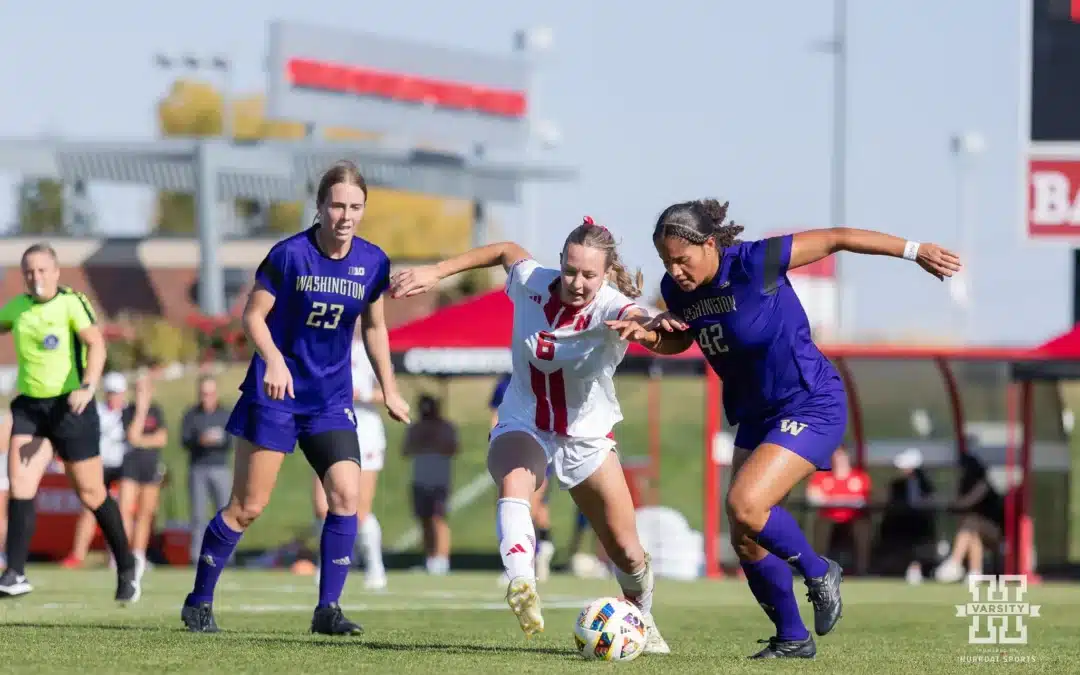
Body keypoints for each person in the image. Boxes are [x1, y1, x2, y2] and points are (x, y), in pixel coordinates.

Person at [613, 199, 960, 659]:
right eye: (666, 261)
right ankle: (793, 638)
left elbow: (838, 238)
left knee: (744, 503)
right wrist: (651, 335)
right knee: (744, 533)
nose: (675, 270)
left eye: (682, 259)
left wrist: (915, 250)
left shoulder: (758, 261)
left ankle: (819, 572)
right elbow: (682, 338)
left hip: (811, 401)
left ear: (710, 244)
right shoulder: (678, 290)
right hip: (757, 415)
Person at [391, 217, 671, 654]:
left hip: (587, 437)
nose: (578, 282)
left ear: (606, 273)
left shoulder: (614, 307)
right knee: (514, 480)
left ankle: (644, 617)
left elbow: (655, 329)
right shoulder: (532, 280)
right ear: (560, 262)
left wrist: (651, 331)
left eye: (589, 275)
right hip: (526, 419)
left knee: (628, 552)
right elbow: (504, 249)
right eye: (571, 270)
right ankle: (522, 581)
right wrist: (434, 273)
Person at [180, 160, 411, 635]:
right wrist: (275, 360)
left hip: (330, 401)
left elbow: (375, 327)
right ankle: (198, 600)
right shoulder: (289, 255)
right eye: (337, 205)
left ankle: (328, 610)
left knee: (346, 497)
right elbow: (252, 317)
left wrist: (390, 387)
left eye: (355, 206)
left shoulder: (373, 262)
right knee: (247, 507)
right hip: (276, 397)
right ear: (321, 207)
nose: (346, 215)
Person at [0, 243, 141, 602]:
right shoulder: (17, 309)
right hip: (31, 408)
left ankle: (126, 563)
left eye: (43, 270)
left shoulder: (71, 303)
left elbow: (97, 346)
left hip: (71, 408)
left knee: (92, 493)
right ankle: (14, 572)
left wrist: (88, 387)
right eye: (29, 271)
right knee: (20, 484)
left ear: (56, 272)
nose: (36, 277)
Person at [311, 335, 388, 590]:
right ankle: (330, 562)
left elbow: (389, 390)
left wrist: (361, 392)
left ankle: (374, 566)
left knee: (360, 509)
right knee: (323, 505)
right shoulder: (323, 343)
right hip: (329, 425)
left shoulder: (371, 345)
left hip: (364, 430)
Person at [490, 373, 555, 581]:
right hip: (513, 445)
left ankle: (527, 562)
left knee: (533, 505)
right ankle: (532, 556)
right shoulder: (505, 383)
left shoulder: (545, 375)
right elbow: (495, 414)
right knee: (516, 504)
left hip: (539, 446)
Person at [61, 371, 129, 568]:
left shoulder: (129, 412)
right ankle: (78, 554)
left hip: (123, 465)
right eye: (111, 392)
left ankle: (118, 556)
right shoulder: (97, 411)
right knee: (90, 508)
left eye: (117, 393)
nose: (114, 397)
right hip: (100, 464)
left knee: (123, 509)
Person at [118, 373, 168, 573]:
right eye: (138, 389)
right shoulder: (128, 411)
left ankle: (138, 554)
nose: (142, 392)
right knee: (124, 510)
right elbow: (131, 436)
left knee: (145, 513)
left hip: (150, 466)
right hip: (130, 466)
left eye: (145, 388)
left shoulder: (157, 411)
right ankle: (122, 554)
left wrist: (142, 441)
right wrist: (141, 410)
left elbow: (162, 439)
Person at [180, 375, 233, 565]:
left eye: (210, 393)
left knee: (225, 515)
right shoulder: (191, 415)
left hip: (220, 468)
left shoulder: (225, 414)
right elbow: (184, 440)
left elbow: (231, 440)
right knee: (198, 516)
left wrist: (217, 440)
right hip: (198, 468)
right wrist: (200, 441)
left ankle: (226, 556)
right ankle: (197, 558)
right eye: (203, 393)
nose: (207, 397)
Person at [403, 393, 458, 575]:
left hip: (439, 480)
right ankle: (430, 557)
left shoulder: (446, 427)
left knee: (438, 519)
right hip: (420, 479)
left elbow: (452, 448)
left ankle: (442, 559)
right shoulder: (415, 428)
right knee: (424, 520)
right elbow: (406, 450)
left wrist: (434, 438)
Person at [934, 452, 1004, 582]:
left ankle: (955, 562)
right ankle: (975, 573)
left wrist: (945, 503)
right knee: (973, 535)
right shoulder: (964, 485)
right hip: (978, 530)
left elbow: (966, 503)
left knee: (971, 523)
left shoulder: (982, 485)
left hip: (996, 532)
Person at [805, 446, 872, 576]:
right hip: (828, 516)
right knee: (821, 525)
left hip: (853, 517)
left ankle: (862, 568)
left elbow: (865, 499)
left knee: (863, 526)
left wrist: (832, 499)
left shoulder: (859, 477)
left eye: (842, 456)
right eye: (836, 457)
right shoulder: (822, 476)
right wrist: (840, 500)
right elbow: (813, 497)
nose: (839, 460)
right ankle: (819, 567)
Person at [874, 448, 937, 584]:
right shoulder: (897, 484)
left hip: (919, 522)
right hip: (898, 521)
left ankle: (916, 567)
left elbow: (930, 501)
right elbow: (884, 501)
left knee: (918, 531)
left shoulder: (925, 484)